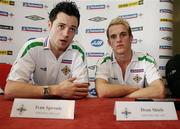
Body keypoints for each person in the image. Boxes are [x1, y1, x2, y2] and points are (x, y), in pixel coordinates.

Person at [5, 1, 89, 100]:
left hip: (66, 109)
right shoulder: (32, 47)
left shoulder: (78, 51)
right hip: (36, 107)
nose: (66, 34)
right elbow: (11, 90)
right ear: (49, 25)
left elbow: (82, 91)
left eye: (72, 29)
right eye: (61, 26)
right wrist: (56, 90)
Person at [95, 17, 165, 98]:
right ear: (109, 43)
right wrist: (136, 89)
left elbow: (159, 91)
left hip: (139, 108)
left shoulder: (146, 60)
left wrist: (122, 96)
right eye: (113, 36)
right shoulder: (104, 62)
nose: (118, 40)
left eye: (123, 35)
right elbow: (102, 91)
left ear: (131, 38)